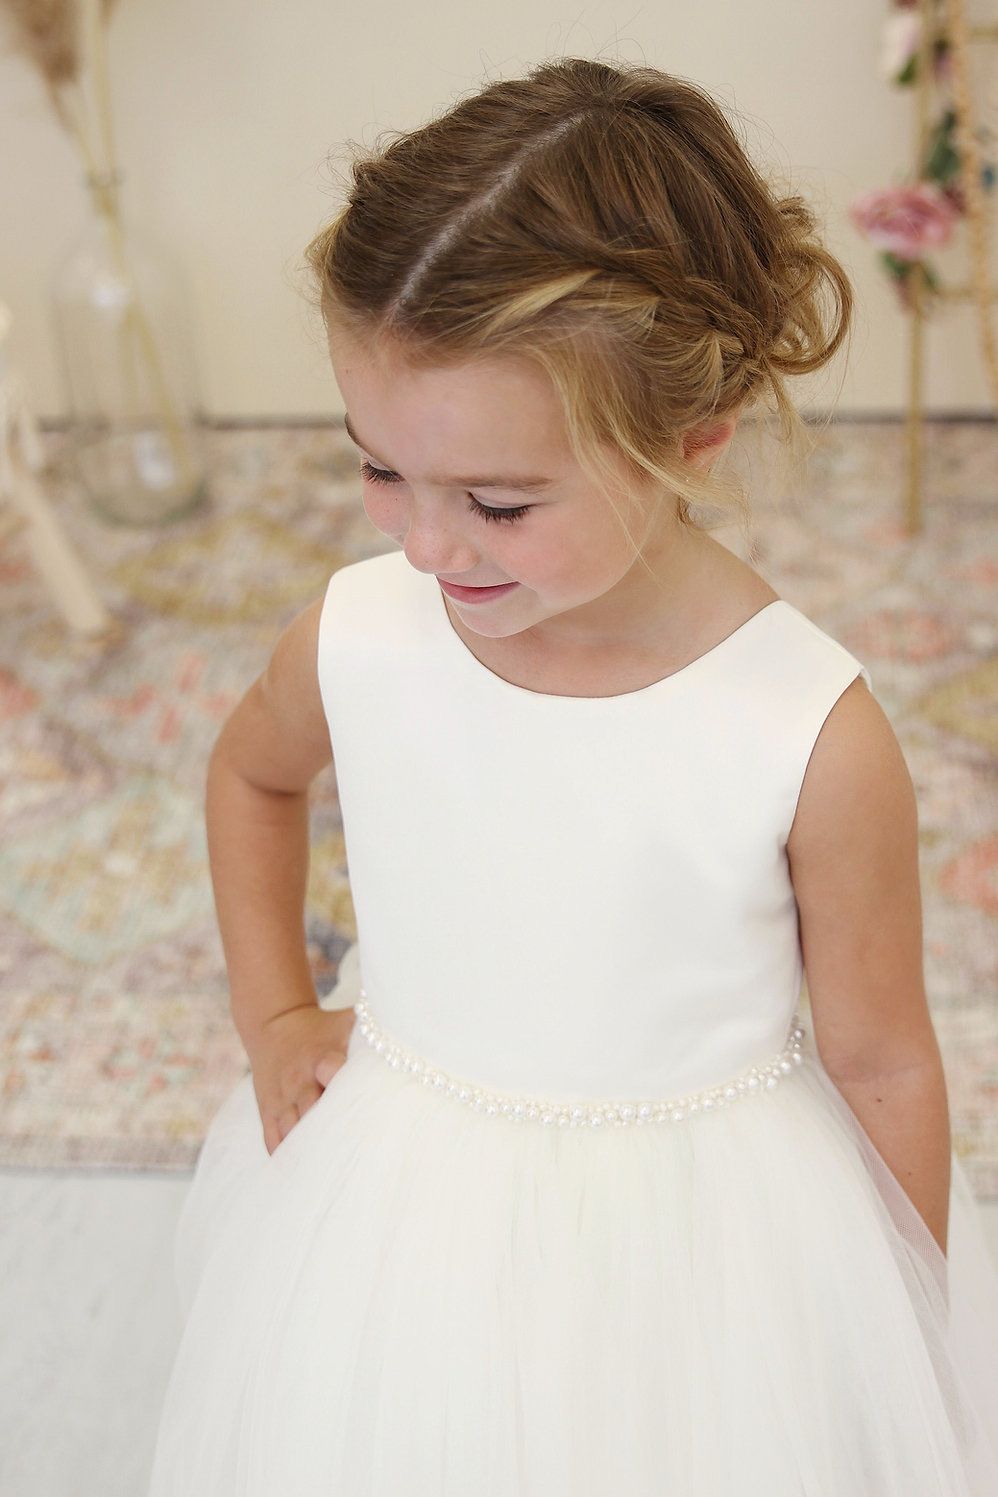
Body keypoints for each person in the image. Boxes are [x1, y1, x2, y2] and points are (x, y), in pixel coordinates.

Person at [147, 56, 998, 1495]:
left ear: (688, 442)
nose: (426, 546)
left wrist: (893, 1341)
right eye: (379, 472)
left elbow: (880, 1057)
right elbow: (250, 776)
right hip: (405, 1204)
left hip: (713, 1243)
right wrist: (277, 1008)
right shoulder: (362, 636)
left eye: (496, 501)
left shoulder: (803, 731)